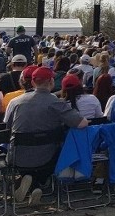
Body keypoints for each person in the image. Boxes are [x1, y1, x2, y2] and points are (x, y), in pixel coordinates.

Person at [5, 67, 89, 206]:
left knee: (32, 160)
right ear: (51, 82)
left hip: (17, 156)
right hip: (47, 156)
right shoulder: (55, 102)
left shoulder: (15, 102)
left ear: (32, 82)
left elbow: (8, 129)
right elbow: (81, 124)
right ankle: (38, 184)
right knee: (57, 152)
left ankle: (33, 185)